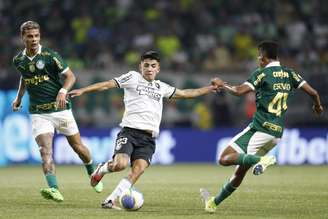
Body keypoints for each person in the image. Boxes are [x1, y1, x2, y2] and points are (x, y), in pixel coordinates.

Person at [68, 50, 221, 209]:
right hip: (130, 131)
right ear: (140, 67)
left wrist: (209, 88)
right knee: (120, 164)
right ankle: (102, 169)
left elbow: (186, 93)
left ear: (158, 69)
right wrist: (83, 90)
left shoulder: (161, 87)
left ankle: (110, 200)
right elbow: (107, 84)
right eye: (146, 65)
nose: (149, 68)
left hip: (148, 139)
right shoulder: (133, 77)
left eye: (153, 66)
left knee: (137, 170)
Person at [200, 41, 324, 213]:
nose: (258, 59)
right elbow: (314, 93)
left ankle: (262, 160)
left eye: (259, 56)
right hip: (276, 135)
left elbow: (238, 91)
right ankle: (213, 203)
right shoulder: (290, 74)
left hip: (259, 128)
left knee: (224, 158)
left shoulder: (262, 74)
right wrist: (317, 107)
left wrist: (222, 84)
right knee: (240, 171)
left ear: (264, 58)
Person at [11, 21, 104, 202]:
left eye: (36, 36)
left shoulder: (50, 55)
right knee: (45, 151)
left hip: (60, 109)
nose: (34, 39)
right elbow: (25, 78)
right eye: (30, 36)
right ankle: (54, 188)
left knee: (78, 147)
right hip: (38, 112)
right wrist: (18, 98)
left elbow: (71, 76)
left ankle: (93, 173)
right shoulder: (18, 60)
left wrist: (63, 91)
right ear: (22, 38)